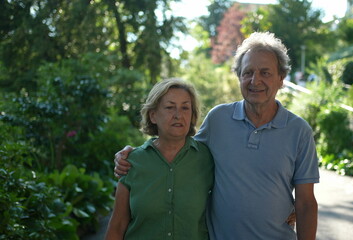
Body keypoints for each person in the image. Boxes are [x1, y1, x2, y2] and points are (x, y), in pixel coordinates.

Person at [114, 32, 319, 240]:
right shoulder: (218, 119)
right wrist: (133, 154)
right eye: (247, 72)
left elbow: (306, 203)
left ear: (281, 79)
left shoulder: (299, 131)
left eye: (265, 73)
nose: (255, 81)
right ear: (239, 77)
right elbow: (179, 147)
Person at [105, 78, 214, 239]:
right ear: (153, 115)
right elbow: (118, 225)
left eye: (185, 108)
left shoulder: (208, 158)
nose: (178, 115)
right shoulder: (132, 162)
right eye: (170, 107)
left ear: (192, 116)